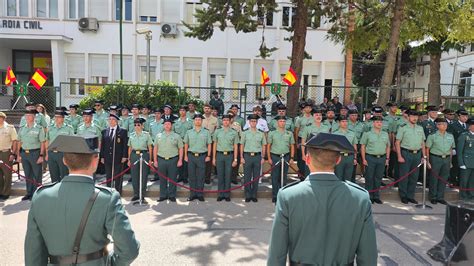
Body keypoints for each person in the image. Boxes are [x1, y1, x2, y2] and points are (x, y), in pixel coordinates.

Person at [25, 135, 139, 265]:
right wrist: (108, 262)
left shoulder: (41, 196)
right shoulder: (107, 198)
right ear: (95, 161)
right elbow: (129, 249)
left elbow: (33, 252)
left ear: (64, 161)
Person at [267, 133, 377, 265]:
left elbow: (277, 253)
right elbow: (368, 256)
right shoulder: (360, 198)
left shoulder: (288, 196)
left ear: (307, 159)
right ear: (338, 160)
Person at [396, 109, 426, 204]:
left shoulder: (420, 128)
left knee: (414, 176)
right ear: (408, 117)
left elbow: (422, 143)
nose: (415, 118)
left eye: (416, 116)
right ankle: (403, 195)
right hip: (406, 153)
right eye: (413, 116)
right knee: (404, 176)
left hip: (417, 154)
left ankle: (410, 195)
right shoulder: (403, 127)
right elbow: (397, 142)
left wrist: (424, 156)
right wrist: (399, 156)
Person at [360, 116, 390, 204]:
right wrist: (364, 159)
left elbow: (388, 146)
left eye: (380, 122)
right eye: (377, 122)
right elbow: (363, 146)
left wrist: (387, 158)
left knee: (378, 178)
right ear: (373, 123)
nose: (379, 124)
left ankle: (376, 196)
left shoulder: (385, 134)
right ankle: (369, 196)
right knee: (369, 177)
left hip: (381, 158)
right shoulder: (367, 134)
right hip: (370, 157)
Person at [17, 109, 46, 201]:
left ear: (34, 117)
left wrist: (41, 155)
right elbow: (19, 142)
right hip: (24, 153)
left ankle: (37, 193)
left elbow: (42, 142)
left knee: (37, 174)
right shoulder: (22, 128)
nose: (27, 117)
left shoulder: (39, 128)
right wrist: (18, 154)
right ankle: (29, 193)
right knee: (27, 174)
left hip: (35, 153)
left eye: (29, 116)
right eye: (26, 116)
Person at [425, 118, 455, 205]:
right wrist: (428, 161)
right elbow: (427, 149)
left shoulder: (450, 135)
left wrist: (450, 161)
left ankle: (440, 197)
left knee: (443, 179)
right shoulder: (432, 135)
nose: (445, 126)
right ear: (437, 125)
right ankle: (433, 197)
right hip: (435, 158)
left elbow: (450, 149)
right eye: (442, 124)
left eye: (445, 124)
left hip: (446, 158)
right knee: (434, 178)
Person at [154, 118, 183, 202]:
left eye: (169, 124)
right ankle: (163, 195)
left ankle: (172, 195)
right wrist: (155, 160)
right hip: (161, 159)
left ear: (171, 125)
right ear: (163, 126)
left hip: (173, 159)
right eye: (165, 124)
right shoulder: (158, 136)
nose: (167, 126)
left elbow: (180, 148)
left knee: (173, 178)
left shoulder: (176, 136)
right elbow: (155, 148)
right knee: (162, 178)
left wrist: (180, 160)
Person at [184, 114, 212, 202]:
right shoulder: (189, 132)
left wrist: (208, 155)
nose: (198, 121)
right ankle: (192, 194)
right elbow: (186, 144)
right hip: (191, 156)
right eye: (196, 120)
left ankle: (200, 194)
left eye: (199, 120)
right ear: (194, 121)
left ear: (202, 121)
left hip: (202, 156)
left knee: (201, 176)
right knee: (192, 176)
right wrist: (185, 155)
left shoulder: (206, 132)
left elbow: (209, 144)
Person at [267, 115, 295, 203]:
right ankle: (275, 195)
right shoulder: (272, 133)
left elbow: (292, 146)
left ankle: (283, 195)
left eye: (283, 121)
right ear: (277, 123)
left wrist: (292, 157)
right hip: (275, 156)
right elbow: (268, 146)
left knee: (283, 177)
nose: (282, 123)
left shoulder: (289, 133)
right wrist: (269, 158)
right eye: (280, 121)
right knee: (275, 176)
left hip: (286, 156)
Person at [240, 114, 267, 202]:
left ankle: (254, 194)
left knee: (256, 176)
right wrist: (241, 157)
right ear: (249, 122)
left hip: (257, 156)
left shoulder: (261, 133)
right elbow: (242, 145)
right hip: (247, 156)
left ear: (257, 122)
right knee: (247, 176)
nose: (253, 123)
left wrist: (263, 157)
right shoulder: (245, 133)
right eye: (251, 121)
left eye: (255, 121)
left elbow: (263, 145)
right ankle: (247, 194)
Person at [213, 114, 239, 202]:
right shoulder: (217, 132)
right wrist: (213, 158)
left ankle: (227, 194)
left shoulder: (234, 132)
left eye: (227, 120)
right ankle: (220, 194)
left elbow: (236, 146)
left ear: (230, 121)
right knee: (220, 175)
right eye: (224, 120)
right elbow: (214, 145)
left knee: (228, 175)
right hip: (219, 155)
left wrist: (235, 159)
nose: (226, 122)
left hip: (229, 155)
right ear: (222, 121)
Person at [100, 113, 128, 194]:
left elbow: (125, 145)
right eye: (109, 119)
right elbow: (103, 145)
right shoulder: (105, 131)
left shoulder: (122, 131)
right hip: (107, 157)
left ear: (116, 121)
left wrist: (124, 156)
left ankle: (118, 192)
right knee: (108, 175)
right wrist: (102, 156)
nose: (111, 121)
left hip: (118, 157)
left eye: (113, 119)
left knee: (118, 175)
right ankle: (109, 192)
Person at [127, 118, 153, 203]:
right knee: (134, 175)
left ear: (142, 126)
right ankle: (136, 194)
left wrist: (150, 159)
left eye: (138, 125)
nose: (136, 126)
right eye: (135, 125)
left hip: (144, 155)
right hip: (134, 155)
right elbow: (130, 148)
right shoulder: (132, 135)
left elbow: (150, 147)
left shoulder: (146, 135)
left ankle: (142, 194)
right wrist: (129, 159)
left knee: (144, 175)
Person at [45, 110, 74, 183]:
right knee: (53, 175)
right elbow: (47, 140)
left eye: (59, 117)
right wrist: (47, 153)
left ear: (63, 118)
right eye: (55, 117)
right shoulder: (50, 128)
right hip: (51, 153)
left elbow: (71, 142)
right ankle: (55, 192)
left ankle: (64, 192)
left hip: (63, 154)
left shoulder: (68, 128)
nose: (56, 119)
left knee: (64, 174)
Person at [300, 108, 330, 176]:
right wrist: (303, 154)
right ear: (313, 116)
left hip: (322, 154)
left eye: (320, 115)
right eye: (316, 115)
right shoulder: (308, 127)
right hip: (311, 153)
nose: (318, 116)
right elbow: (303, 141)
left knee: (321, 173)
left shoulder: (326, 127)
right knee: (309, 173)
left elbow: (327, 141)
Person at [333, 115, 358, 181]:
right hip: (339, 157)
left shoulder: (352, 133)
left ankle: (347, 191)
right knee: (338, 176)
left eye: (346, 121)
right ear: (339, 123)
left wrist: (355, 157)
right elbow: (333, 147)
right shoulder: (335, 133)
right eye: (343, 121)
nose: (345, 123)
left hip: (350, 157)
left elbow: (354, 145)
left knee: (348, 177)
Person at [0, 112, 18, 201]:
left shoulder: (10, 128)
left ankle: (6, 192)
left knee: (7, 174)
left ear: (4, 118)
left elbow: (15, 141)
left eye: (0, 118)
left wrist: (13, 154)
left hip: (5, 153)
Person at [294, 102, 314, 178]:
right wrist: (296, 142)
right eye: (306, 107)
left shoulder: (313, 118)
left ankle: (309, 173)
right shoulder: (299, 119)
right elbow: (296, 131)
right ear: (304, 109)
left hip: (311, 139)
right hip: (301, 139)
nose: (308, 109)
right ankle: (301, 173)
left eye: (309, 107)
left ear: (311, 109)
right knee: (301, 158)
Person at [174, 105, 193, 183]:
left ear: (186, 112)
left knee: (186, 160)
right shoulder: (175, 122)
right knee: (179, 159)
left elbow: (192, 132)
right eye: (181, 110)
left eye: (184, 110)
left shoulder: (191, 121)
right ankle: (180, 176)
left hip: (187, 143)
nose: (182, 112)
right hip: (178, 144)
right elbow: (173, 132)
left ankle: (185, 176)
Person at [457, 118, 474, 200]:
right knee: (464, 181)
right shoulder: (464, 135)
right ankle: (463, 196)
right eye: (472, 125)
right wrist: (461, 163)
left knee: (472, 181)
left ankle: (471, 195)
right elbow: (459, 151)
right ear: (469, 126)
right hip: (466, 162)